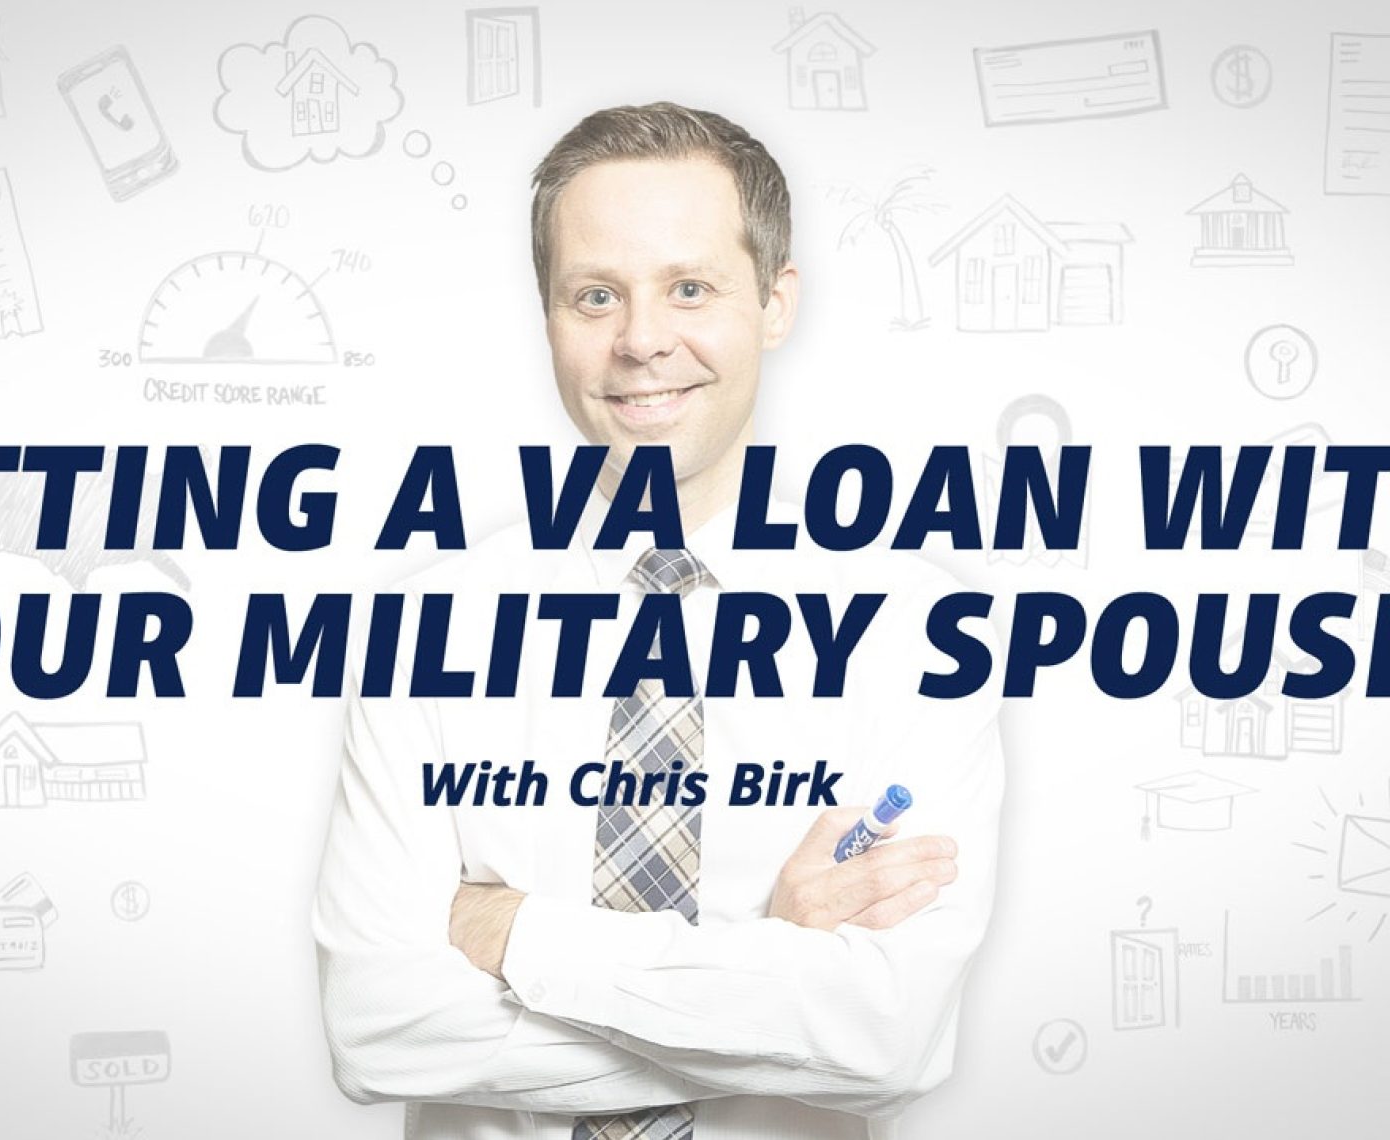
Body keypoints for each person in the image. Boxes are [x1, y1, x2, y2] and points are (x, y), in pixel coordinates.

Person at [314, 101, 1005, 1139]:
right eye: (594, 295)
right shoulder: (430, 626)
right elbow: (377, 1032)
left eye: (689, 288)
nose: (641, 341)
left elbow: (885, 1041)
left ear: (774, 304)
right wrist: (766, 964)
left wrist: (516, 937)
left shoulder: (918, 637)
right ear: (545, 313)